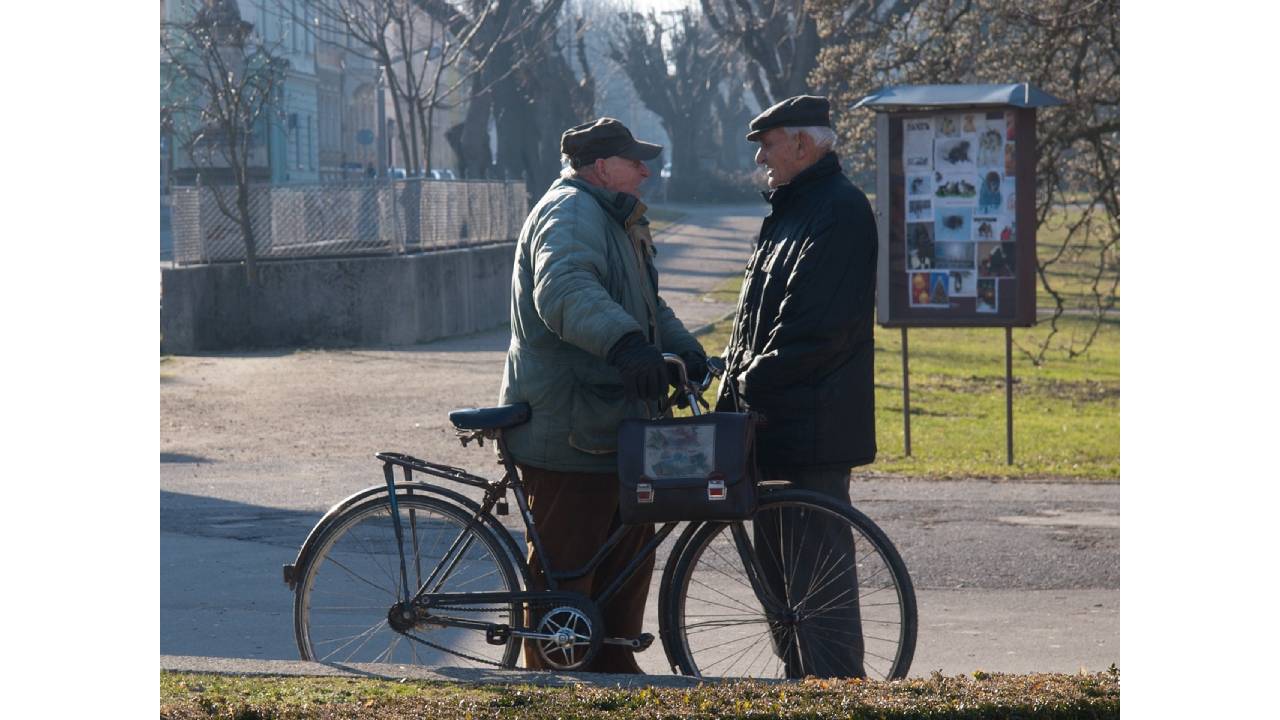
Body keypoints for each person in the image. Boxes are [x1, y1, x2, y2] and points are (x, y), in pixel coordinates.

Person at [498, 117, 707, 673]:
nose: (646, 170)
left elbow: (648, 306)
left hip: (613, 423)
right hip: (570, 426)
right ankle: (555, 681)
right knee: (568, 567)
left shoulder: (615, 218)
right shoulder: (569, 213)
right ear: (600, 167)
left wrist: (687, 353)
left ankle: (613, 663)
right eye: (634, 160)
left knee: (626, 552)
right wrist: (626, 347)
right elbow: (564, 290)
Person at [715, 95, 878, 678]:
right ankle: (802, 689)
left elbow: (815, 328)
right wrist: (730, 376)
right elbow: (756, 319)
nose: (760, 156)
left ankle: (836, 697)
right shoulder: (791, 210)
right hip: (775, 426)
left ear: (803, 145)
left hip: (814, 430)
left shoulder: (838, 210)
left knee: (817, 595)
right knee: (784, 595)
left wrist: (746, 378)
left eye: (768, 143)